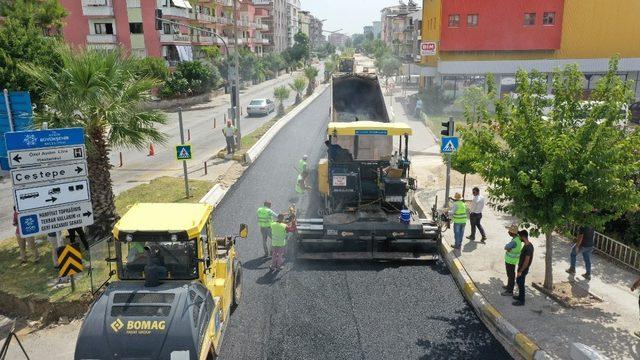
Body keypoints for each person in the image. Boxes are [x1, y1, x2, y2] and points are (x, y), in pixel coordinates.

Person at [513, 229, 534, 306]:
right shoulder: (528, 245)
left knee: (520, 283)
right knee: (519, 282)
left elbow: (526, 261)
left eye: (520, 236)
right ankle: (520, 297)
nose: (519, 238)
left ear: (523, 237)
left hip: (523, 269)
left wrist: (520, 271)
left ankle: (522, 301)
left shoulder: (528, 248)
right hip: (522, 268)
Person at [501, 224, 523, 296]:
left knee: (511, 276)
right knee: (510, 275)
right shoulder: (518, 238)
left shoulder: (514, 241)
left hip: (510, 261)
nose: (508, 232)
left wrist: (508, 248)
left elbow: (506, 247)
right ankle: (508, 287)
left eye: (509, 231)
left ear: (512, 233)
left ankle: (509, 291)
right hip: (513, 261)